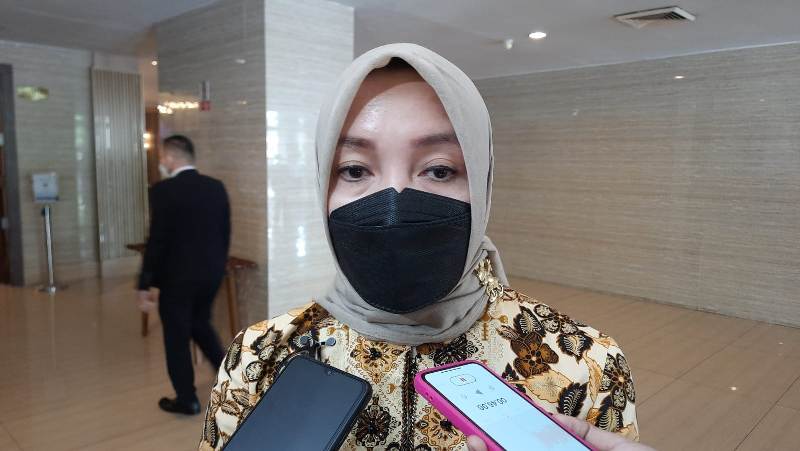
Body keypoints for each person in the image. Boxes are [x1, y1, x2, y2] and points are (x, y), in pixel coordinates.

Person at [200, 44, 638, 450]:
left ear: (482, 183)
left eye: (440, 170)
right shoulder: (260, 355)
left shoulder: (586, 363)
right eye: (354, 170)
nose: (393, 207)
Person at [137, 134, 231, 415]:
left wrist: (145, 282)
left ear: (169, 158)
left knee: (177, 337)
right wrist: (218, 267)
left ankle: (186, 398)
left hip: (177, 278)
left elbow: (158, 240)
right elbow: (224, 232)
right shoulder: (215, 187)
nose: (162, 162)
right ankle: (232, 377)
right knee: (200, 324)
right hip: (211, 273)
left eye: (162, 157)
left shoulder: (163, 190)